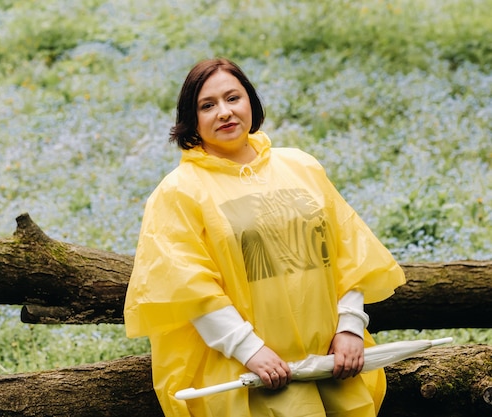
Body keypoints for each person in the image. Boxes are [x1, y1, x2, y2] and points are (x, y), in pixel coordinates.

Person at [123, 58, 406, 417]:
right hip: (246, 371)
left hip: (331, 362)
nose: (224, 112)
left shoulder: (301, 166)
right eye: (207, 105)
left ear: (251, 103)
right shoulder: (179, 193)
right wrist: (248, 349)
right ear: (190, 120)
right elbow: (187, 287)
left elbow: (347, 249)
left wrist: (350, 326)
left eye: (233, 98)